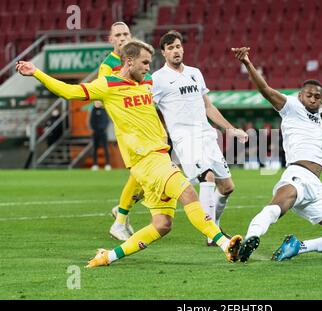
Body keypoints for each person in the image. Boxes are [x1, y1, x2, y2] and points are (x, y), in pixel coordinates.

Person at [16, 40, 243, 268]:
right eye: (144, 62)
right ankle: (224, 244)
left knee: (162, 224)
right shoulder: (107, 85)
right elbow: (69, 92)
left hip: (157, 160)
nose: (148, 67)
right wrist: (37, 72)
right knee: (189, 194)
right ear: (129, 61)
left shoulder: (146, 84)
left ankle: (107, 257)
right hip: (148, 160)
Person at [231, 46, 322, 263]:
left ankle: (298, 247)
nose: (313, 99)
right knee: (278, 206)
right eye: (309, 95)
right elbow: (265, 89)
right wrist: (247, 63)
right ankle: (252, 236)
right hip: (298, 176)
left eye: (317, 96)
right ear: (299, 96)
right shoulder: (290, 106)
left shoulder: (317, 109)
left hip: (316, 188)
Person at [152, 31, 248, 246]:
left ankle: (214, 225)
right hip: (185, 138)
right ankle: (212, 234)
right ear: (163, 53)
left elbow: (208, 106)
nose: (175, 51)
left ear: (183, 48)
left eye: (178, 46)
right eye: (170, 48)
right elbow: (148, 109)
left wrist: (230, 129)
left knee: (227, 187)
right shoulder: (157, 79)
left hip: (206, 135)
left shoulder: (195, 73)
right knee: (208, 177)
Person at [96, 22, 140, 241]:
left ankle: (122, 211)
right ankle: (120, 221)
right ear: (110, 40)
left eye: (126, 34)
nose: (122, 37)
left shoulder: (136, 57)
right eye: (118, 35)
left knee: (147, 177)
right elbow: (97, 98)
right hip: (127, 129)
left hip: (143, 125)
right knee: (142, 173)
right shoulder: (107, 66)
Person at [89, 105, 111, 171]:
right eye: (96, 102)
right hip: (95, 132)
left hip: (103, 132)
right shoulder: (92, 111)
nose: (97, 103)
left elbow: (106, 121)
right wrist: (94, 129)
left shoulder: (104, 110)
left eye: (98, 102)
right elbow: (91, 121)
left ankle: (107, 164)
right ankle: (95, 164)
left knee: (105, 148)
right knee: (95, 149)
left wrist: (103, 128)